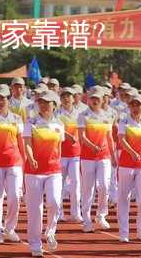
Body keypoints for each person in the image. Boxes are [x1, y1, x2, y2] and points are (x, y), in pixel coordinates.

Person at [22, 91, 64, 257]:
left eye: (48, 102)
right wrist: (31, 158)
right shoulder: (31, 122)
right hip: (34, 171)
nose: (44, 105)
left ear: (54, 105)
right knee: (35, 209)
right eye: (41, 102)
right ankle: (35, 244)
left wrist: (58, 162)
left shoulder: (59, 124)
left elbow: (59, 147)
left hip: (53, 170)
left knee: (54, 202)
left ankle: (50, 232)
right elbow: (27, 144)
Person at [0, 85, 24, 244]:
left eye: (3, 98)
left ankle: (9, 228)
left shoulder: (17, 118)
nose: (0, 101)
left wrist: (25, 161)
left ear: (9, 99)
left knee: (15, 196)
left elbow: (21, 140)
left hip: (14, 161)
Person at [77, 86, 116, 232]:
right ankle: (86, 220)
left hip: (104, 156)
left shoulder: (107, 116)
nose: (94, 101)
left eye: (97, 99)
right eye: (92, 98)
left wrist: (113, 155)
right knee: (88, 189)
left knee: (104, 186)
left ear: (102, 100)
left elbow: (110, 137)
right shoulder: (83, 115)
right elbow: (82, 136)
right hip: (87, 157)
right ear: (88, 100)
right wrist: (92, 146)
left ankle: (101, 215)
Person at [116, 93, 141, 244]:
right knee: (124, 197)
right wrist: (132, 153)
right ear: (129, 106)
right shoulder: (124, 121)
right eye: (132, 105)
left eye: (138, 105)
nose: (135, 108)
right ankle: (124, 232)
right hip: (126, 164)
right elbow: (122, 140)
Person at [55, 87, 82, 222]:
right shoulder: (56, 114)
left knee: (76, 183)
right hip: (60, 154)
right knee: (59, 184)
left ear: (73, 98)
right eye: (64, 96)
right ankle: (59, 213)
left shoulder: (80, 114)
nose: (66, 98)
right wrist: (68, 135)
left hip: (75, 154)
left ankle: (75, 213)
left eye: (69, 96)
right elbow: (55, 129)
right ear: (60, 99)